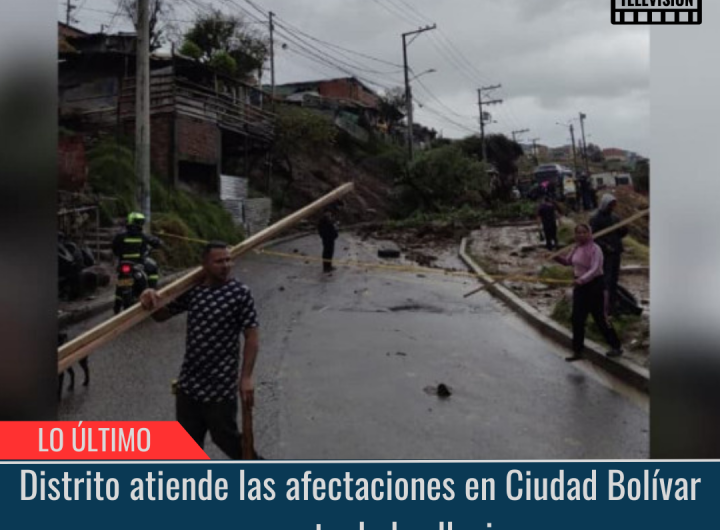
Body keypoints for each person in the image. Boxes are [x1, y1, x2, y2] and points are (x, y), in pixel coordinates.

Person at [139, 241, 260, 459]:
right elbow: (161, 316)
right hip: (189, 385)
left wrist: (246, 377)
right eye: (219, 261)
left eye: (228, 260)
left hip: (220, 386)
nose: (226, 265)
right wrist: (149, 296)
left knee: (228, 440)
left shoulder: (239, 293)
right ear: (204, 264)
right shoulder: (193, 291)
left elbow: (251, 335)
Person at [554, 224, 623, 361]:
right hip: (580, 287)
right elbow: (568, 262)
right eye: (578, 233)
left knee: (600, 319)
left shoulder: (595, 249)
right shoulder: (576, 247)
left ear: (589, 233)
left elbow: (596, 269)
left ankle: (616, 346)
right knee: (577, 319)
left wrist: (581, 280)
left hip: (595, 286)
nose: (580, 235)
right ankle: (577, 351)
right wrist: (555, 257)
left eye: (584, 232)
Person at [589, 194, 628, 317]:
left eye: (613, 205)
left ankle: (612, 306)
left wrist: (624, 229)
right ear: (605, 204)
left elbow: (620, 234)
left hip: (616, 251)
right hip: (604, 254)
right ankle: (603, 307)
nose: (612, 207)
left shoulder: (615, 217)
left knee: (614, 279)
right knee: (606, 279)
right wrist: (605, 246)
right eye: (610, 205)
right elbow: (593, 237)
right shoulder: (595, 218)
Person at [112, 211, 162, 288]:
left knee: (121, 284)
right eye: (139, 222)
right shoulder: (142, 235)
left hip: (123, 263)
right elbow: (153, 242)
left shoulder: (120, 235)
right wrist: (158, 242)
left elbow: (114, 249)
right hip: (138, 263)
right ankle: (152, 290)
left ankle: (120, 296)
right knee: (153, 268)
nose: (140, 224)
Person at [317, 209, 339, 273]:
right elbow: (321, 230)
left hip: (331, 238)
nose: (329, 214)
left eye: (329, 212)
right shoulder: (323, 220)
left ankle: (329, 266)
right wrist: (324, 236)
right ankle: (326, 267)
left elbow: (332, 227)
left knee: (330, 252)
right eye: (327, 212)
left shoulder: (330, 219)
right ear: (325, 213)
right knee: (326, 252)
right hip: (326, 238)